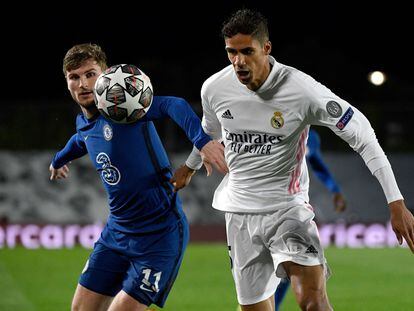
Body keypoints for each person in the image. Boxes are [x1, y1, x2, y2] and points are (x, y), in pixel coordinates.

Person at [172, 8, 414, 311]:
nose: (239, 61)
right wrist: (190, 166)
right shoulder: (215, 88)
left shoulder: (300, 90)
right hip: (239, 215)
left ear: (266, 48)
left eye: (247, 51)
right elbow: (209, 131)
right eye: (231, 52)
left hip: (288, 212)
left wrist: (396, 201)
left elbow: (363, 134)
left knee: (312, 302)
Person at [49, 43, 227, 311]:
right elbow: (80, 140)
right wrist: (58, 160)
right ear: (66, 82)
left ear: (105, 75)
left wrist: (201, 142)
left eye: (90, 74)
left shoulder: (128, 110)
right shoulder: (84, 123)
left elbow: (173, 105)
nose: (83, 84)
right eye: (74, 77)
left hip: (159, 234)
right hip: (117, 233)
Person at [274, 128, 346, 311]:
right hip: (260, 208)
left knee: (287, 269)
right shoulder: (272, 125)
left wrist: (335, 190)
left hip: (292, 210)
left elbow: (317, 164)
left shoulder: (311, 138)